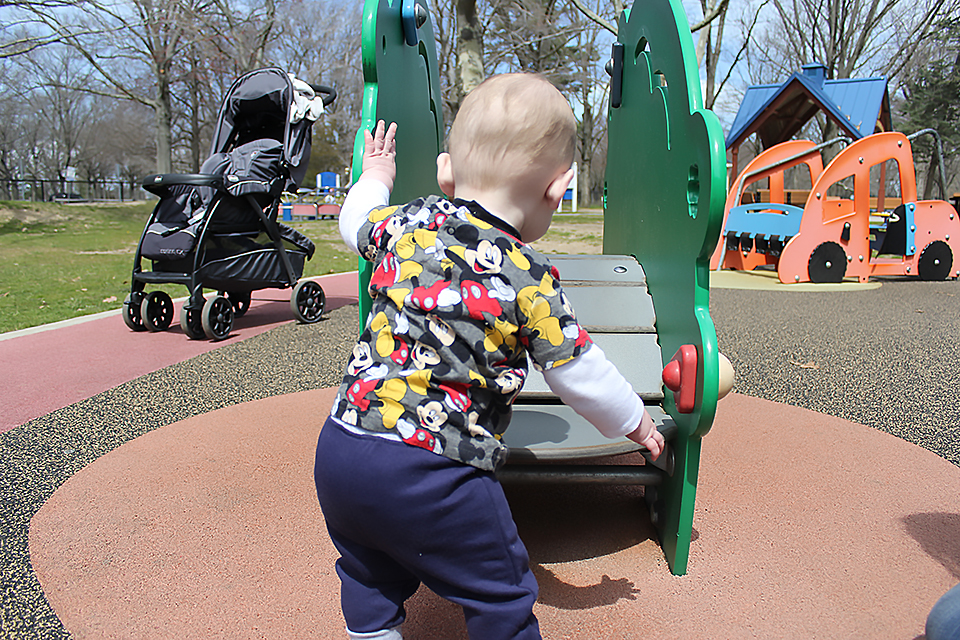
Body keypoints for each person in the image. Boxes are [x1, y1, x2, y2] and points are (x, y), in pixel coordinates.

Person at [314, 73, 665, 640]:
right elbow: (579, 372)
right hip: (434, 469)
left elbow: (353, 221)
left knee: (368, 570)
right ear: (559, 188)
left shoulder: (407, 225)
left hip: (343, 448)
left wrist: (376, 176)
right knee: (501, 592)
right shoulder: (527, 274)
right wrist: (635, 421)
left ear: (446, 172)